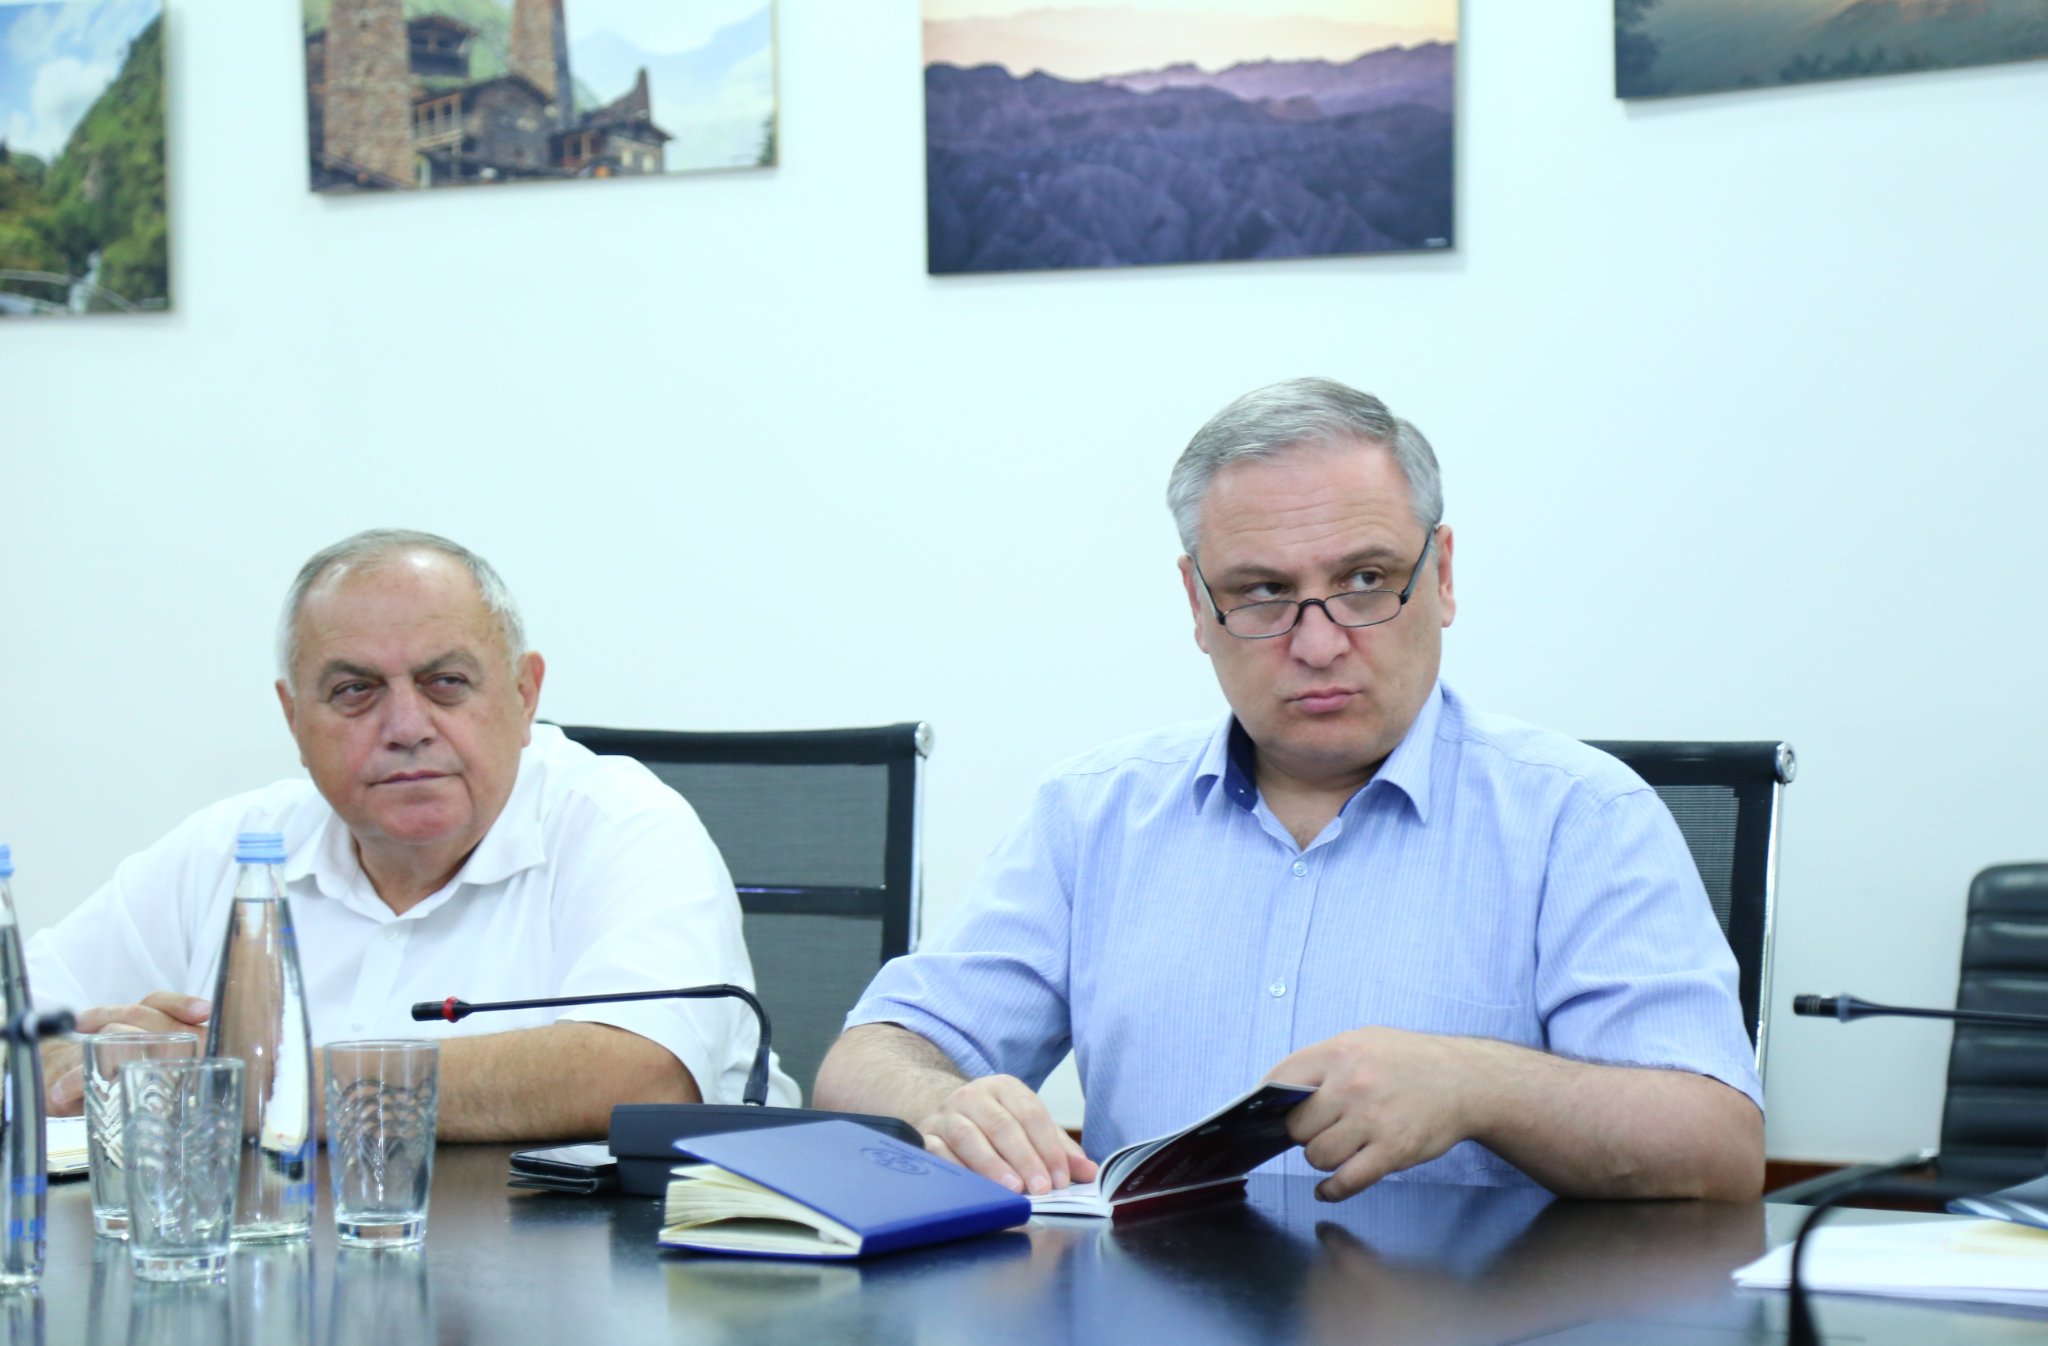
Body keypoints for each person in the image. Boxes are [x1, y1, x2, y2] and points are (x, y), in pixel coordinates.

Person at [815, 378, 1763, 1202]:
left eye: (1365, 579)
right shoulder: (1094, 813)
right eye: (1263, 592)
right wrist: (941, 1103)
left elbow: (1717, 1151)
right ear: (1199, 606)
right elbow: (868, 1060)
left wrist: (1481, 1085)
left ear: (1440, 577)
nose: (1317, 643)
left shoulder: (1582, 818)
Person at [32, 528, 795, 1139]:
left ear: (525, 693)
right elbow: (23, 1014)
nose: (405, 726)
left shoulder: (621, 823)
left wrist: (258, 1083)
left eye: (445, 683)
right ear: (294, 719)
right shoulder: (237, 847)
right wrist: (73, 1063)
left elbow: (644, 1072)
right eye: (354, 690)